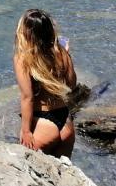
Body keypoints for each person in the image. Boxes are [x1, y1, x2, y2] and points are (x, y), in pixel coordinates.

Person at [14, 9, 78, 158]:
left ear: (26, 32)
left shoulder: (23, 58)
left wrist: (26, 131)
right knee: (62, 177)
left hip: (42, 122)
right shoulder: (61, 52)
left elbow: (27, 97)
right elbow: (71, 85)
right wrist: (67, 56)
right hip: (65, 122)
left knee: (26, 171)